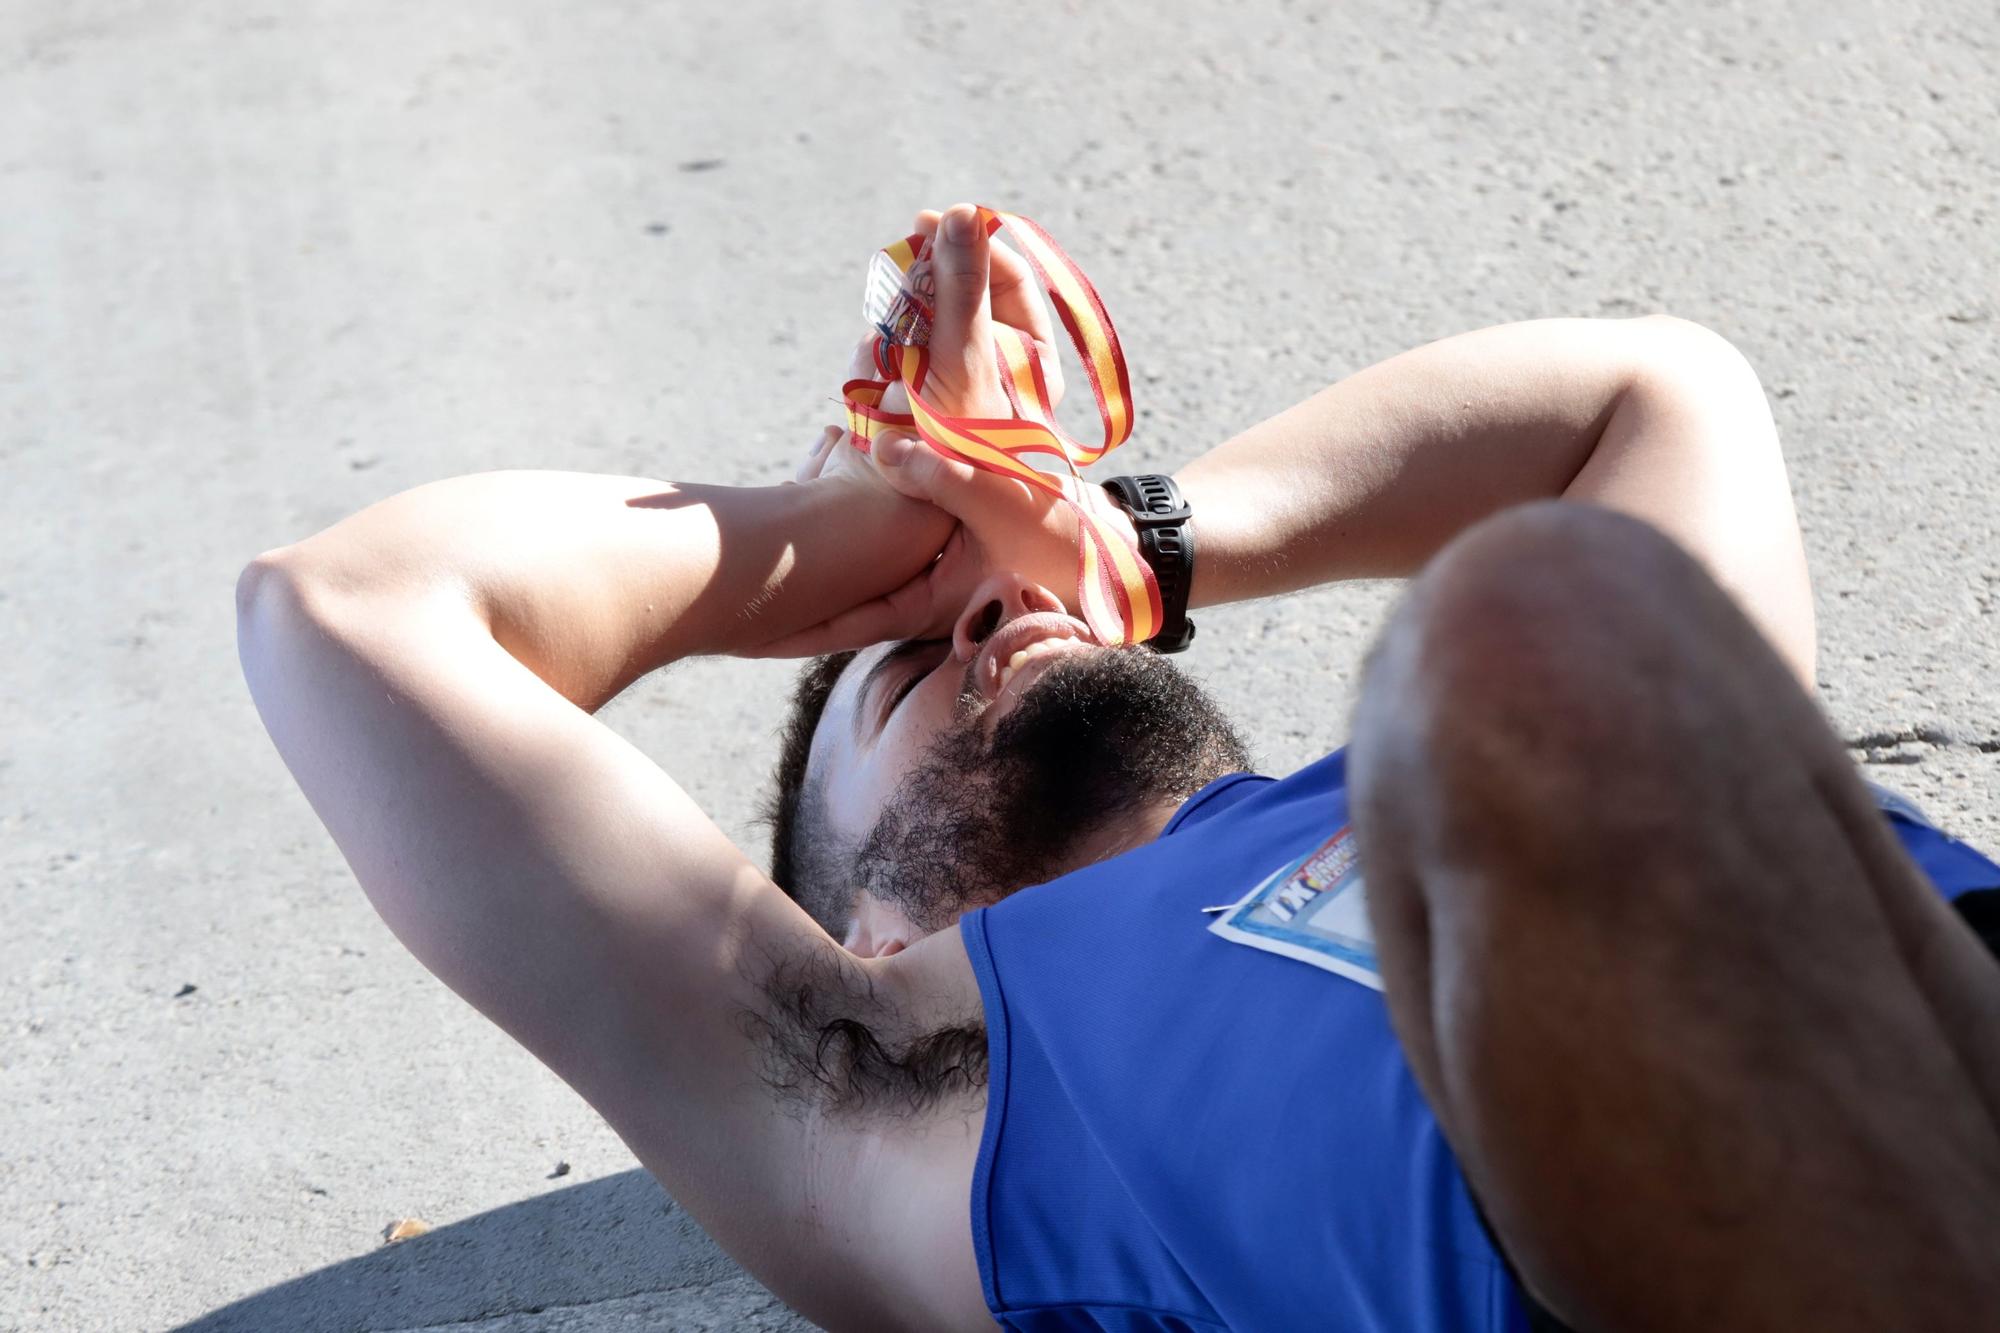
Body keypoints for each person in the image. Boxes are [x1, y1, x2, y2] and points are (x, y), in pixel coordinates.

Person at [237, 204, 2000, 1332]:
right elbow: (344, 615)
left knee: (1567, 662)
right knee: (1532, 646)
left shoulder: (1528, 771)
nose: (992, 617)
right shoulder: (888, 1081)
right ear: (853, 914)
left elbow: (1660, 389)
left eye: (984, 607)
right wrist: (850, 530)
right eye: (916, 658)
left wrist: (1129, 537)